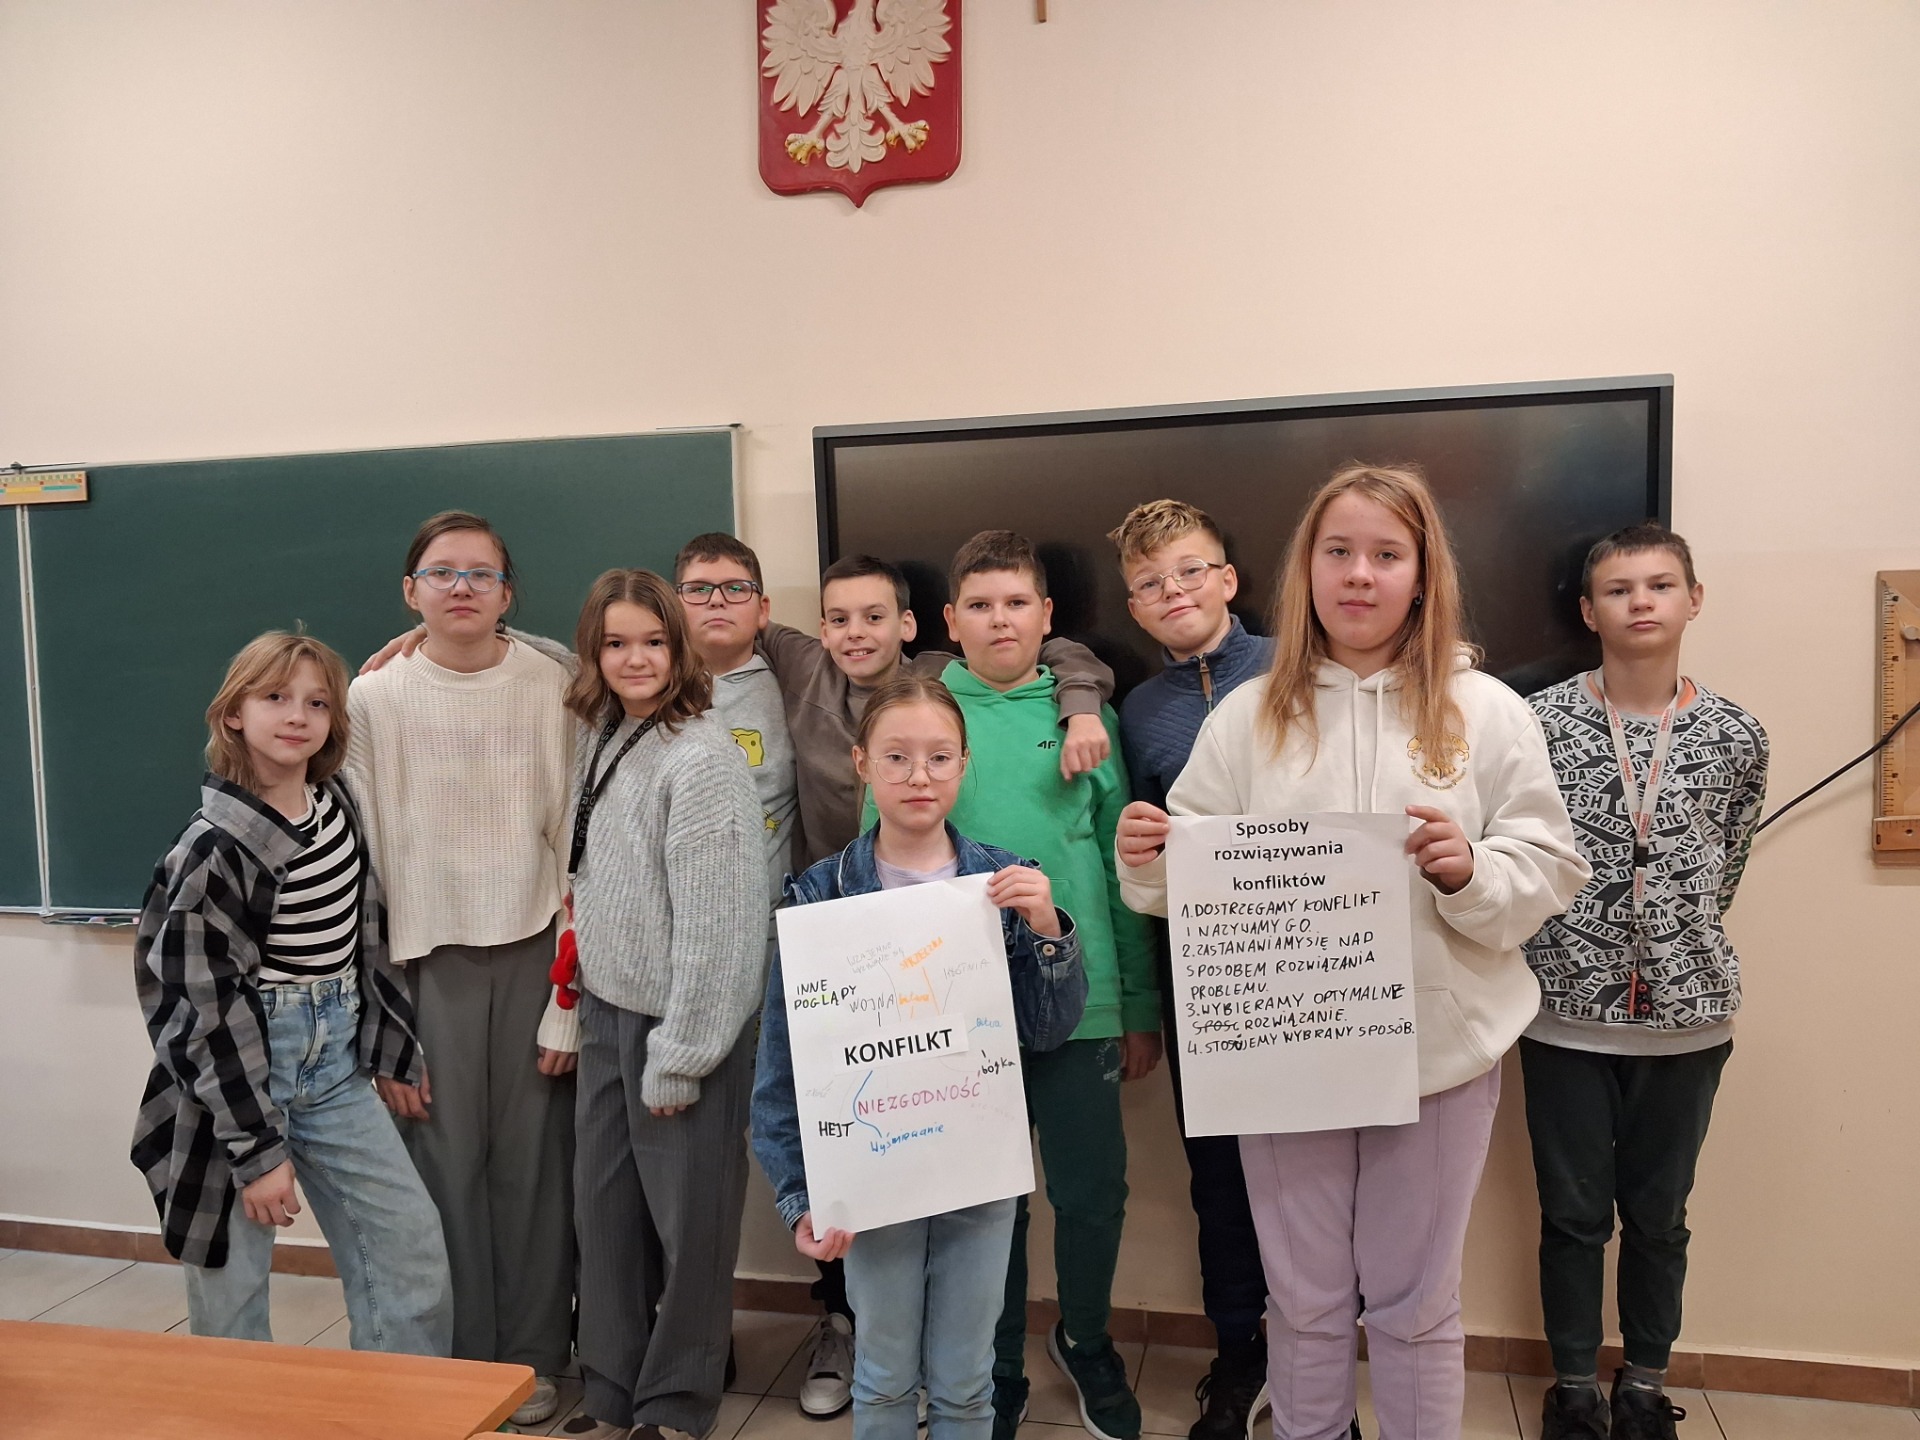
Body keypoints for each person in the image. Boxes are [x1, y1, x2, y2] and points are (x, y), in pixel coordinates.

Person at [1116, 464, 1590, 1440]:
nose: (1360, 574)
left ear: (1423, 575)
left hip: (1439, 1061)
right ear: (1307, 570)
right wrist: (1150, 858)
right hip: (1286, 1057)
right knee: (1305, 1303)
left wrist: (1473, 872)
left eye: (1386, 554)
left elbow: (1548, 866)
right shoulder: (1248, 717)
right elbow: (1189, 877)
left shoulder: (1488, 711)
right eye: (1338, 551)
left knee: (1417, 1306)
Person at [754, 549, 1118, 1417]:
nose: (919, 777)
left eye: (939, 758)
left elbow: (1045, 1031)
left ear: (963, 764)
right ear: (862, 764)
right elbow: (783, 1068)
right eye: (897, 758)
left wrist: (1049, 933)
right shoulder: (820, 897)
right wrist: (801, 1193)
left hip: (975, 1174)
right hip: (873, 1179)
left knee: (964, 1386)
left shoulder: (1001, 880)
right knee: (883, 1378)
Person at [864, 531, 1157, 1440]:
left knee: (1092, 1192)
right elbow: (877, 863)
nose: (1001, 621)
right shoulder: (920, 717)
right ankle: (992, 1367)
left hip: (1081, 1000)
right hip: (955, 1011)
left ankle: (1087, 1339)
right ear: (950, 621)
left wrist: (1138, 1004)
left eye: (1018, 603)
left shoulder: (1088, 720)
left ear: (1047, 616)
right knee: (990, 1200)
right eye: (982, 606)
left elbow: (1118, 869)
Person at [131, 631, 451, 1353]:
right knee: (233, 1288)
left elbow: (365, 937)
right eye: (275, 697)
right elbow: (203, 1012)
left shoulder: (335, 804)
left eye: (317, 703)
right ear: (233, 713)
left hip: (333, 1070)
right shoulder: (213, 848)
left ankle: (406, 1405)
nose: (297, 716)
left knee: (409, 1249)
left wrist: (389, 1046)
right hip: (238, 1079)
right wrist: (255, 1151)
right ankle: (238, 1410)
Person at [1521, 525, 1767, 1440]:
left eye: (1661, 585)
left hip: (1688, 1018)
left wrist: (1670, 935)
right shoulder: (1537, 724)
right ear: (1589, 611)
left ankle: (1644, 1386)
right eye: (1619, 589)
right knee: (1572, 1215)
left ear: (1693, 599)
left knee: (1660, 1218)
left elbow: (1728, 861)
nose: (1641, 602)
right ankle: (1574, 1389)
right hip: (1561, 1015)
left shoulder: (1736, 734)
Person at [345, 510, 577, 1427]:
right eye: (442, 573)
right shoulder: (372, 699)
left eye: (482, 574)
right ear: (411, 592)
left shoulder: (552, 685)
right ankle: (464, 1364)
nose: (462, 588)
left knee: (533, 1172)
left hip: (535, 952)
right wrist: (384, 1023)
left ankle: (533, 1359)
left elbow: (576, 845)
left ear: (508, 595)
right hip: (423, 962)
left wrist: (567, 1001)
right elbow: (359, 868)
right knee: (443, 1168)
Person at [559, 569, 767, 1440]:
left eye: (652, 641)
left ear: (679, 649)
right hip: (607, 1013)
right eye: (615, 643)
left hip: (681, 1024)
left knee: (691, 1229)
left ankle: (676, 1404)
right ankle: (610, 1391)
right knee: (604, 1215)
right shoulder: (606, 733)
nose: (634, 658)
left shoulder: (701, 757)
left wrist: (683, 1054)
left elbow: (724, 926)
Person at [1106, 500, 1276, 1440]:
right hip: (1200, 974)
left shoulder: (1300, 668)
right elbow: (1143, 866)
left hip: (1315, 963)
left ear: (1228, 580)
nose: (1173, 591)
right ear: (1133, 608)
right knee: (1220, 1177)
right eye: (1149, 583)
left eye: (1190, 570)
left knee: (1319, 1177)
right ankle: (1239, 1356)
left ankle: (1314, 1368)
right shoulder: (1136, 711)